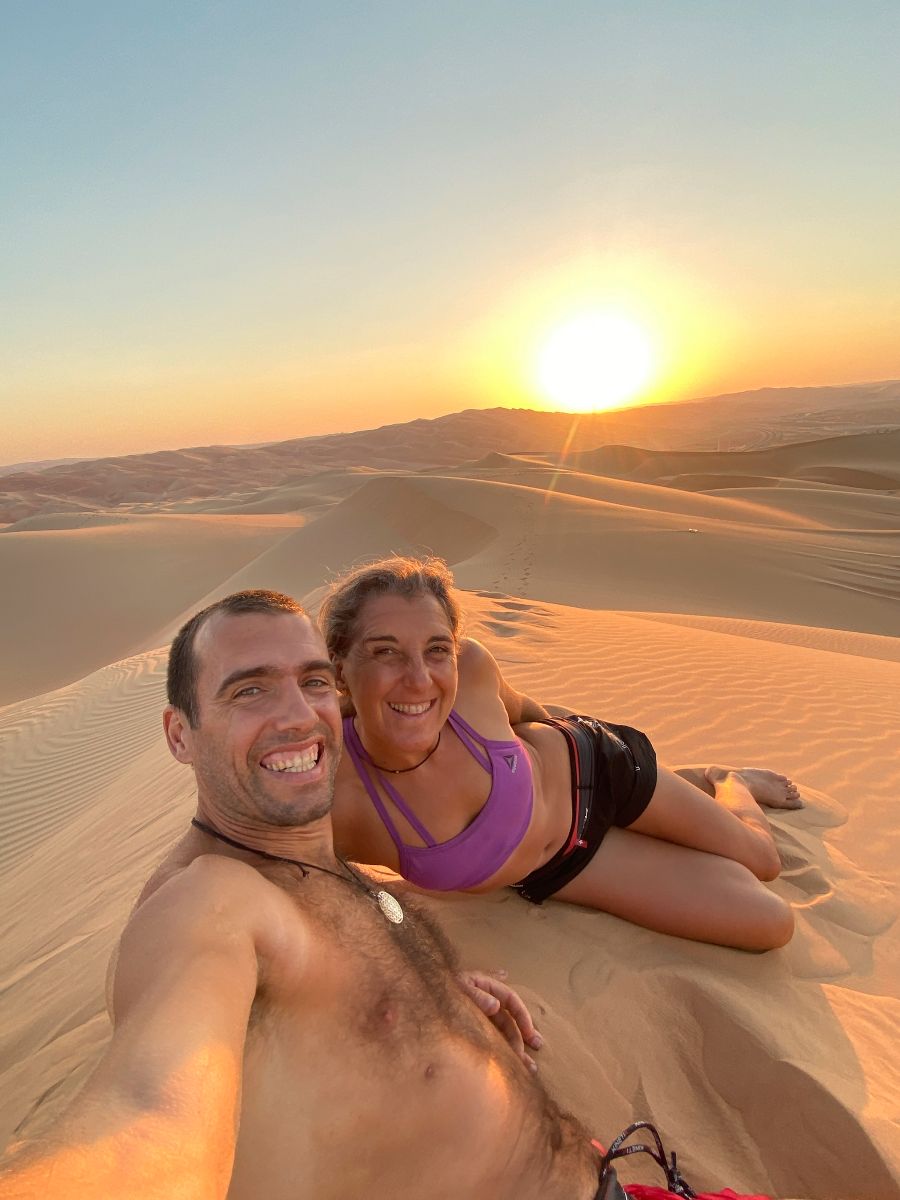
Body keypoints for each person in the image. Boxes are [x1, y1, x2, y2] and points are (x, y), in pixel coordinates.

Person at [0, 590, 605, 1200]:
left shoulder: (303, 850)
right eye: (249, 690)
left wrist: (429, 998)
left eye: (314, 682)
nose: (299, 715)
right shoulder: (209, 900)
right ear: (180, 735)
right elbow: (148, 1122)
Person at [321, 556, 800, 952]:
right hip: (568, 868)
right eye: (386, 652)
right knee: (770, 921)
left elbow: (529, 713)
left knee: (763, 861)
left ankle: (729, 780)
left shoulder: (471, 671)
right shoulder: (338, 798)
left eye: (436, 649)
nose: (420, 678)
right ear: (340, 669)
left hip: (599, 766)